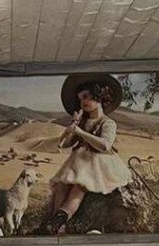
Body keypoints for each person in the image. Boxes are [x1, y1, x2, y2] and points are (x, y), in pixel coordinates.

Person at [41, 74, 133, 235]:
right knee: (61, 187)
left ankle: (59, 220)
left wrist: (81, 132)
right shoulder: (83, 122)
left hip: (98, 163)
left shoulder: (108, 123)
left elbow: (105, 145)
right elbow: (66, 144)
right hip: (79, 162)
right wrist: (74, 126)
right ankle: (56, 223)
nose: (82, 102)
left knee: (79, 188)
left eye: (85, 96)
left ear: (99, 96)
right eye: (80, 99)